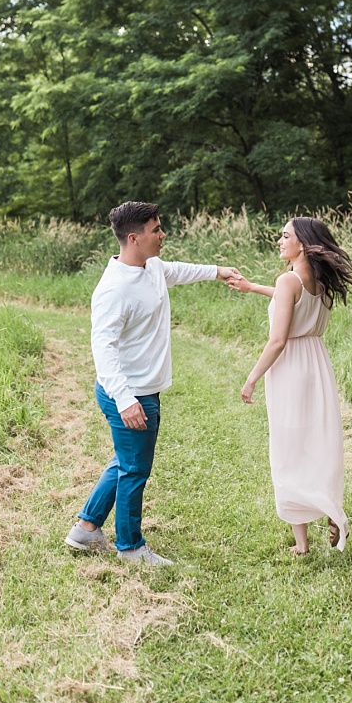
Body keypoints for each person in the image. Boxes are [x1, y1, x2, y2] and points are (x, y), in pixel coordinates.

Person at [65, 201, 241, 565]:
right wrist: (127, 400)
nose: (163, 235)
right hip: (129, 394)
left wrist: (218, 271)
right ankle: (130, 547)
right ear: (134, 238)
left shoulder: (152, 267)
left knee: (126, 460)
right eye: (156, 230)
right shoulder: (114, 290)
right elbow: (103, 348)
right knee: (135, 469)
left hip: (143, 390)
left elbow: (177, 270)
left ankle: (86, 528)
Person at [230, 217, 352, 555]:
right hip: (316, 364)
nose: (279, 240)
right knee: (318, 443)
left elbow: (277, 340)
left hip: (289, 366)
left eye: (285, 235)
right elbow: (290, 299)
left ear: (302, 244)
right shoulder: (320, 280)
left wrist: (251, 379)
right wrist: (252, 288)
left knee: (290, 448)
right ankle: (332, 509)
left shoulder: (289, 279)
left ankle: (302, 544)